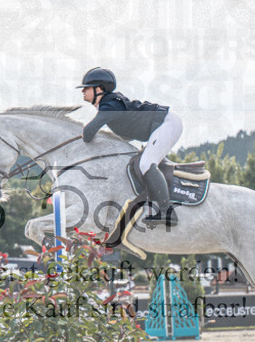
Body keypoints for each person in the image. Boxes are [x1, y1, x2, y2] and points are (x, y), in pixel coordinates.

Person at [77, 67, 183, 225]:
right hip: (163, 124)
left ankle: (167, 212)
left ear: (98, 89)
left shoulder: (110, 105)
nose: (83, 91)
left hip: (167, 124)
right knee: (144, 162)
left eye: (86, 88)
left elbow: (89, 133)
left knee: (146, 164)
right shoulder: (111, 104)